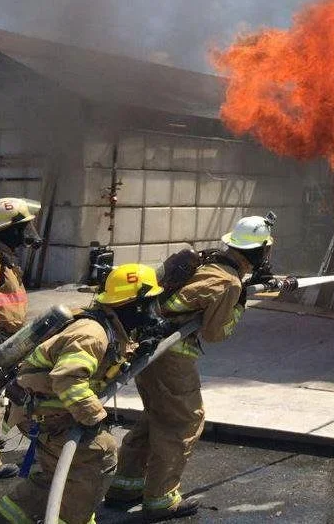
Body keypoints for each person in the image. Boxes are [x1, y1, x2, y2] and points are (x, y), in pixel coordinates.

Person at [106, 214, 275, 521]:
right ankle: (160, 498)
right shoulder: (228, 282)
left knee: (157, 417)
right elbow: (216, 332)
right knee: (183, 423)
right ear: (260, 251)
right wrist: (239, 304)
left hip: (149, 352)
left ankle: (125, 485)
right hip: (172, 357)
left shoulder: (209, 263)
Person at [0, 263, 165, 524]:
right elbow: (67, 378)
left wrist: (135, 349)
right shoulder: (92, 333)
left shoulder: (104, 324)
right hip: (46, 411)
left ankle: (6, 516)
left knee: (56, 472)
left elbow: (93, 364)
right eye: (149, 304)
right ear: (134, 305)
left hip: (37, 406)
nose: (153, 312)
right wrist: (94, 417)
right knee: (97, 456)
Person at [0, 197, 40, 480]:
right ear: (8, 228)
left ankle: (45, 446)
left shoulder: (3, 256)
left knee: (13, 393)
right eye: (22, 227)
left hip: (8, 338)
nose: (26, 234)